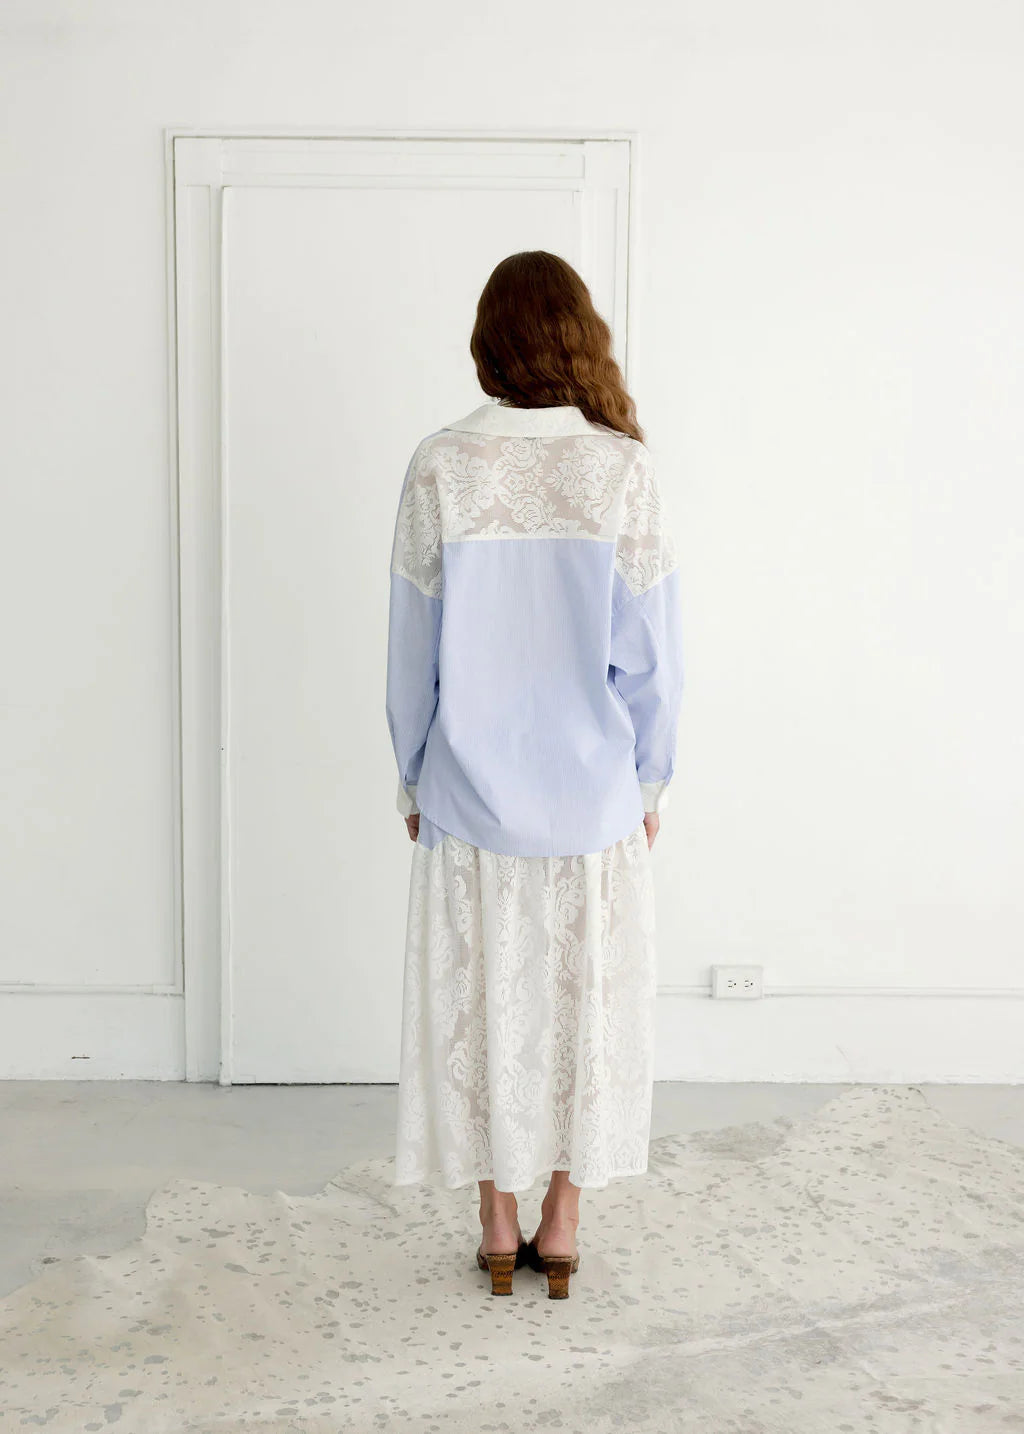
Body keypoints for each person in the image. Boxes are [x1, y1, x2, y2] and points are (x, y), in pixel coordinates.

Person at [385, 250, 684, 1300]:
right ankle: (561, 1222)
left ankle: (496, 1221)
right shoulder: (621, 469)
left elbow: (412, 644)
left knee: (479, 1008)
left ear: (489, 343)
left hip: (468, 794)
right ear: (577, 336)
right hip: (591, 800)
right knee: (579, 1011)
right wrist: (648, 784)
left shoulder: (440, 465)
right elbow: (651, 655)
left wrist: (413, 775)